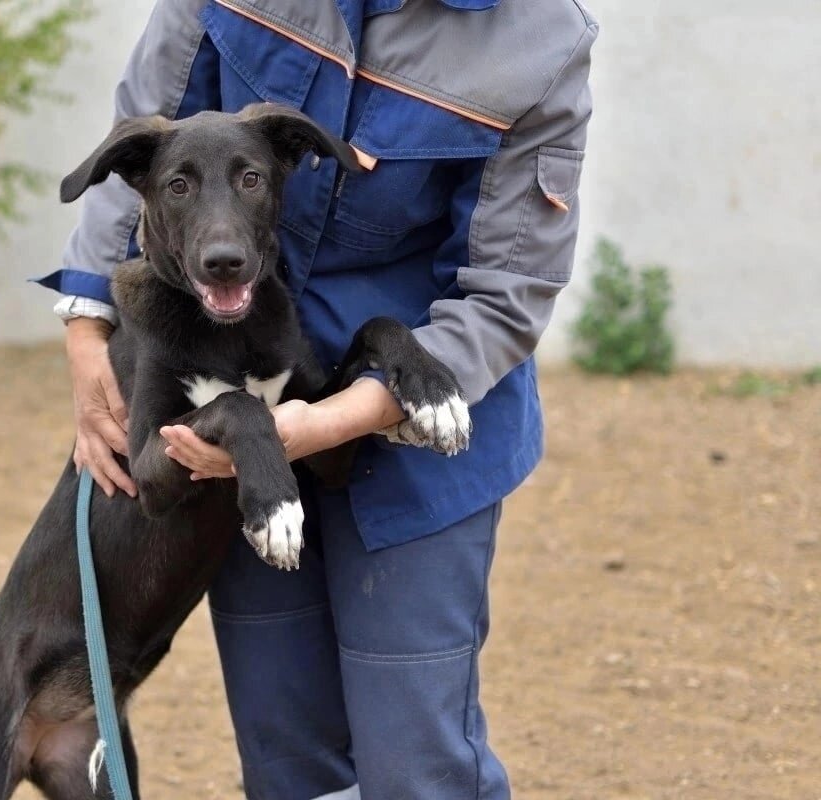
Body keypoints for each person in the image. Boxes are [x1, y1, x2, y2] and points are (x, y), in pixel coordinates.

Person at [37, 1, 597, 797]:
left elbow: (506, 292)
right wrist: (89, 321)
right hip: (238, 423)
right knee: (288, 761)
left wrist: (336, 418)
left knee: (416, 766)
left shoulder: (539, 42)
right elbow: (150, 134)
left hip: (416, 427)